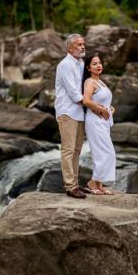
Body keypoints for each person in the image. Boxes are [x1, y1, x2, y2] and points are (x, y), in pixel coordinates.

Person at [53, 33, 89, 198]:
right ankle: (70, 186)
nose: (82, 47)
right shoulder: (65, 65)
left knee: (77, 150)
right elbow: (75, 94)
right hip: (67, 112)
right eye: (79, 45)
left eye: (83, 44)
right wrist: (96, 107)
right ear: (69, 48)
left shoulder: (81, 63)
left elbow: (86, 88)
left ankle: (76, 184)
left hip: (79, 113)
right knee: (68, 150)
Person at [80, 54, 117, 195]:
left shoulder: (101, 82)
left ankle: (99, 185)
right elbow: (86, 101)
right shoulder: (90, 82)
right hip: (95, 121)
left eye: (100, 63)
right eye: (94, 64)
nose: (99, 65)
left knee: (103, 152)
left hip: (104, 121)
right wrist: (101, 109)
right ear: (89, 68)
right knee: (106, 152)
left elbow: (103, 101)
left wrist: (110, 108)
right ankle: (92, 182)